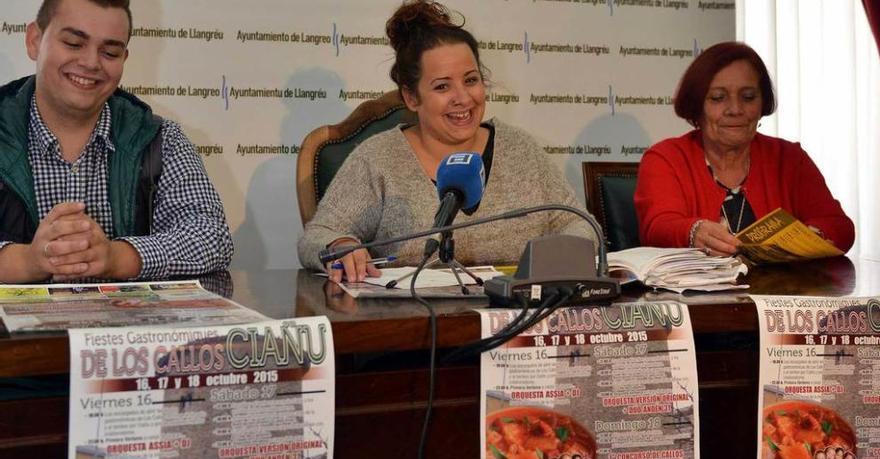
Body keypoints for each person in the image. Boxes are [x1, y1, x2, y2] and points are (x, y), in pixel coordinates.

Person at [297, 0, 597, 282]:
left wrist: (558, 259)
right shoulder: (378, 158)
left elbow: (578, 224)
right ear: (411, 97)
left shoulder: (521, 149)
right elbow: (317, 237)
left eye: (471, 80)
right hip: (412, 326)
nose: (463, 98)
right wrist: (343, 244)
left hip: (518, 320)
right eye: (442, 86)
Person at [0, 0, 232, 284]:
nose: (90, 63)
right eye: (74, 43)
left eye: (110, 52)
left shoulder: (161, 139)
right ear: (35, 40)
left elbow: (212, 236)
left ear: (124, 58)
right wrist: (27, 262)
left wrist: (116, 257)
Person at [634, 41, 854, 256]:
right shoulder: (666, 158)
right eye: (718, 98)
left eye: (748, 97)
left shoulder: (788, 158)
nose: (735, 109)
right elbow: (657, 227)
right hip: (695, 292)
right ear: (696, 105)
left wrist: (803, 240)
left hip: (781, 291)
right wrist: (694, 232)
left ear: (762, 103)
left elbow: (839, 226)